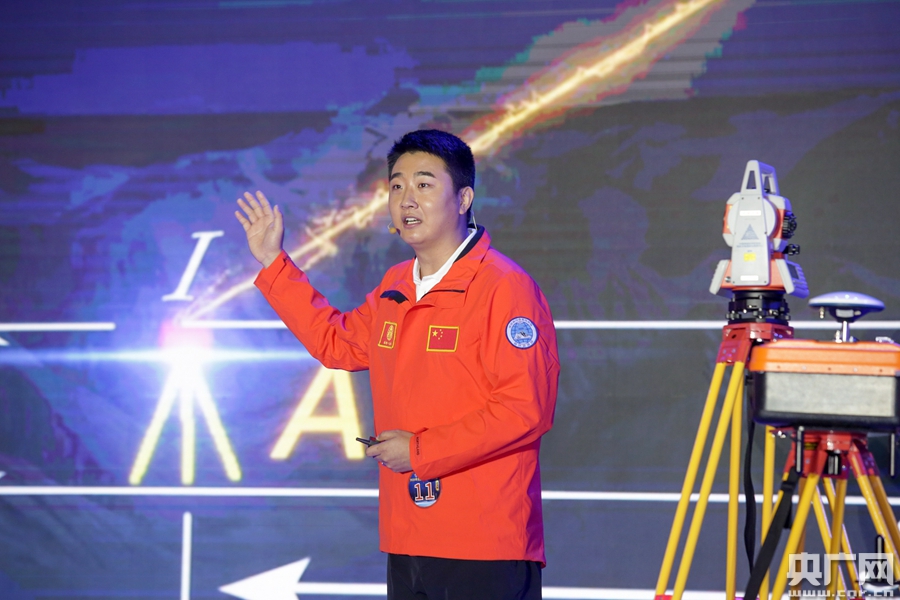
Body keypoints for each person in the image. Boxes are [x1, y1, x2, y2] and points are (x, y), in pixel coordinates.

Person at [235, 129, 559, 599]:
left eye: (424, 184)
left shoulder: (503, 287)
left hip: (484, 541)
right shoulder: (397, 285)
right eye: (396, 186)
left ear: (463, 198)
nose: (407, 199)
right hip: (408, 536)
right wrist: (273, 264)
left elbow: (524, 409)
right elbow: (336, 342)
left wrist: (421, 452)